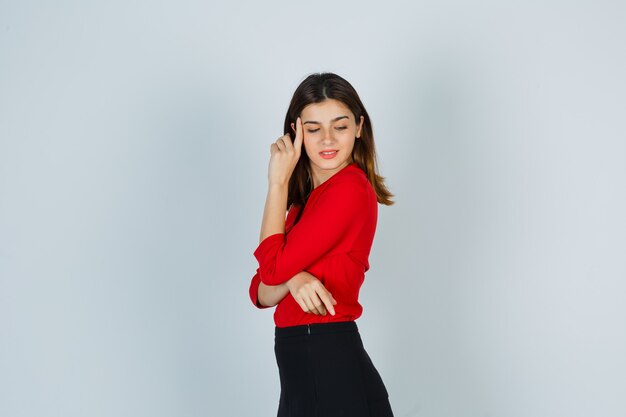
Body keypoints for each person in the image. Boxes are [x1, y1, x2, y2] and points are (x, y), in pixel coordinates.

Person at [248, 72, 395, 417]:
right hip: (304, 370)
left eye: (339, 126)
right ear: (296, 133)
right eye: (313, 129)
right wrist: (294, 277)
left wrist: (277, 181)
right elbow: (260, 292)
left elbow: (269, 272)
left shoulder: (350, 190)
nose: (327, 139)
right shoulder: (303, 205)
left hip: (329, 362)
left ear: (359, 127)